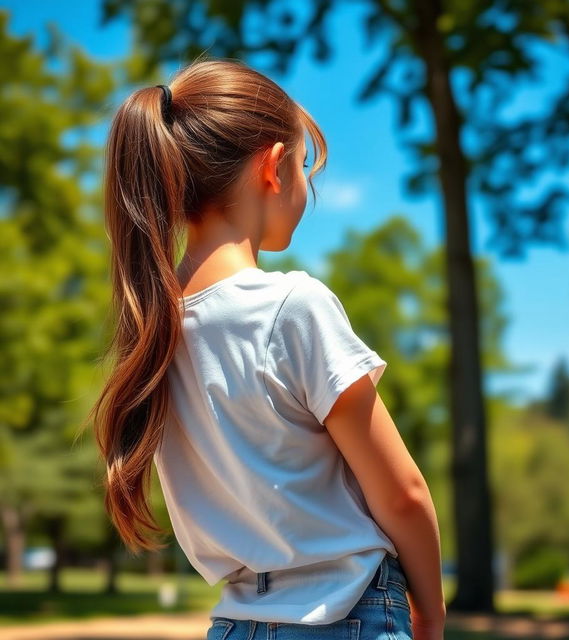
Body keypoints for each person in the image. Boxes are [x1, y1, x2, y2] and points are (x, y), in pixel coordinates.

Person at [87, 57, 446, 640]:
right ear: (273, 168)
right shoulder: (292, 306)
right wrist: (429, 609)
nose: (308, 188)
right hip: (351, 613)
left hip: (235, 623)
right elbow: (401, 494)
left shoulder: (153, 333)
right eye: (305, 167)